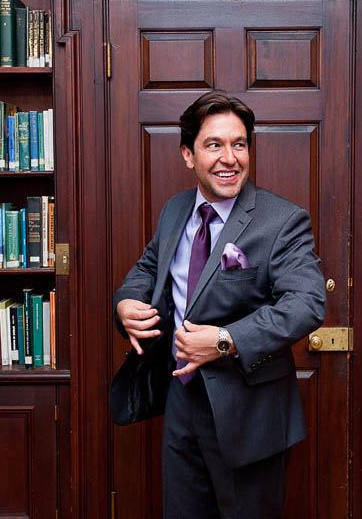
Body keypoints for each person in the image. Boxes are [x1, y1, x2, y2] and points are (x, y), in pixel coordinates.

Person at [113, 91, 326, 518]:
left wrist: (227, 340)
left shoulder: (282, 220)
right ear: (188, 155)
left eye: (239, 144)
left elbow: (307, 303)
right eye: (214, 145)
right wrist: (126, 304)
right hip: (180, 401)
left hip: (249, 415)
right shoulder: (175, 210)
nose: (229, 158)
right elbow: (149, 267)